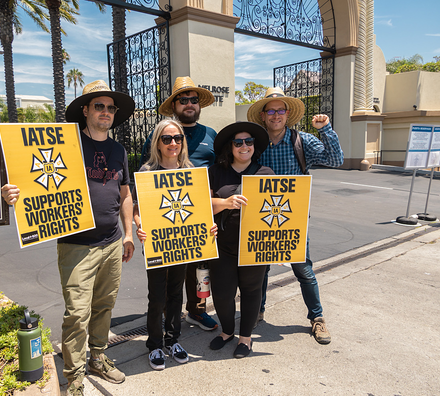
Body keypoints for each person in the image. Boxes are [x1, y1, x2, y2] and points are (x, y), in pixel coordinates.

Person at [1, 80, 135, 396]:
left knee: (105, 304)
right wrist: (13, 193)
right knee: (77, 313)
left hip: (111, 242)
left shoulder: (119, 151)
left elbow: (125, 194)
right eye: (98, 106)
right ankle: (74, 380)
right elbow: (31, 176)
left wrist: (129, 233)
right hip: (77, 246)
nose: (105, 112)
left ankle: (99, 357)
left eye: (110, 108)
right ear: (86, 111)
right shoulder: (67, 144)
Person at [246, 87, 343, 345]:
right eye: (271, 111)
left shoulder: (303, 141)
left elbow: (336, 160)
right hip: (261, 216)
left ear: (287, 114)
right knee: (260, 267)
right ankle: (258, 310)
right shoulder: (255, 143)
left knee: (303, 268)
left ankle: (317, 318)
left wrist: (326, 129)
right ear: (264, 115)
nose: (276, 115)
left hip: (293, 218)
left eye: (280, 110)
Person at [141, 76, 220, 332]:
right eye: (182, 100)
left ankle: (196, 311)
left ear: (199, 105)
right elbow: (145, 180)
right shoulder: (158, 135)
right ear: (174, 106)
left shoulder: (211, 135)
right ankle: (166, 316)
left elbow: (219, 173)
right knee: (166, 276)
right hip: (165, 216)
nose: (188, 104)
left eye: (193, 100)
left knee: (199, 271)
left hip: (198, 215)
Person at [133, 119, 197, 370]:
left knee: (175, 294)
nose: (173, 143)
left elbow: (198, 208)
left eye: (178, 138)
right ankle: (155, 344)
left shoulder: (190, 171)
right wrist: (139, 226)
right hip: (156, 243)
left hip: (182, 243)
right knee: (157, 297)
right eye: (167, 139)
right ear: (157, 143)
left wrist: (208, 227)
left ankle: (173, 340)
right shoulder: (148, 172)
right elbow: (137, 209)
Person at [208, 122, 274, 358]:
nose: (244, 146)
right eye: (238, 142)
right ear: (231, 147)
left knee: (251, 290)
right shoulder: (215, 172)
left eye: (249, 141)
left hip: (254, 246)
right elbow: (202, 206)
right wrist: (226, 202)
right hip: (222, 246)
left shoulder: (266, 173)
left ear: (254, 146)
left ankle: (245, 338)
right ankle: (226, 332)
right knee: (223, 293)